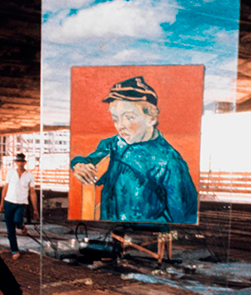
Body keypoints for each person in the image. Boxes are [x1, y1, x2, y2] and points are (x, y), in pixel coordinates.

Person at [71, 76, 198, 224]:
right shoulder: (112, 145)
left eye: (129, 118)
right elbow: (90, 162)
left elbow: (184, 214)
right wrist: (78, 164)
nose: (120, 126)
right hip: (109, 228)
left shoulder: (169, 161)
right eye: (115, 119)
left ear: (151, 118)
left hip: (147, 232)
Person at [0, 153, 38, 260]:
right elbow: (5, 188)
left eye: (22, 162)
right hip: (8, 202)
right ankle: (15, 250)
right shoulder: (10, 173)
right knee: (10, 229)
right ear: (16, 163)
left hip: (21, 204)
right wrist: (2, 202)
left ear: (25, 163)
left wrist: (35, 209)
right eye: (18, 161)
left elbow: (32, 193)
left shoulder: (29, 176)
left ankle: (21, 226)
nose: (20, 164)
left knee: (17, 220)